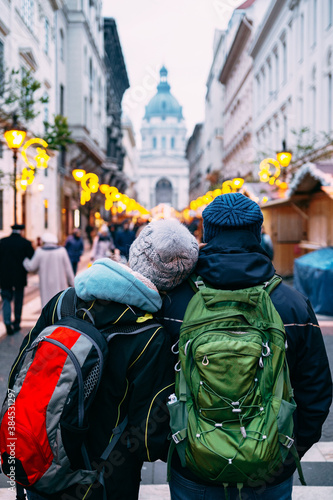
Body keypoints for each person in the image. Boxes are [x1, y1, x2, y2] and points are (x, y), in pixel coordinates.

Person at [159, 193, 332, 500]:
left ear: (205, 234)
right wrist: (285, 452)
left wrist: (179, 448)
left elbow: (153, 385)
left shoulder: (175, 301)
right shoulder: (291, 304)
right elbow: (316, 389)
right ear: (257, 234)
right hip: (268, 468)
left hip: (195, 466)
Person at [9, 218, 199, 500]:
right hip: (105, 478)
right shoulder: (149, 335)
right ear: (175, 280)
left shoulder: (64, 302)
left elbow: (18, 375)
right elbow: (148, 435)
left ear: (134, 256)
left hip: (41, 459)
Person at [23, 232, 75, 308]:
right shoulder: (62, 251)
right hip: (60, 286)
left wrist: (25, 260)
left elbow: (31, 267)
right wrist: (72, 285)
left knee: (47, 309)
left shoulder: (40, 252)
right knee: (60, 307)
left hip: (45, 287)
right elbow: (68, 270)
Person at [0, 224, 34, 335]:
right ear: (21, 231)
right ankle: (17, 322)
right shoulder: (25, 243)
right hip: (19, 277)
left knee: (6, 299)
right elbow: (32, 258)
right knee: (18, 300)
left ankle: (7, 323)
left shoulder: (3, 242)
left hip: (4, 277)